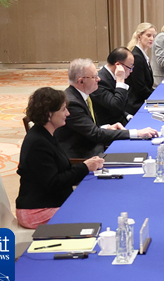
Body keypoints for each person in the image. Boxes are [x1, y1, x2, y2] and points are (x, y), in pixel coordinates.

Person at [16, 88, 105, 229]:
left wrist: (86, 165)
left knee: (97, 200)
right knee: (95, 212)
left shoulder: (47, 134)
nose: (68, 113)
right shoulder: (38, 142)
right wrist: (84, 167)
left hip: (49, 201)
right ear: (49, 114)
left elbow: (59, 171)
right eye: (64, 110)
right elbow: (53, 182)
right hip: (37, 210)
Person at [54, 59, 158, 159]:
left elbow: (88, 128)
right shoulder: (72, 103)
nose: (98, 79)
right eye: (94, 77)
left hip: (93, 146)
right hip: (82, 155)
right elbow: (95, 134)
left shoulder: (82, 95)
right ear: (81, 81)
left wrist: (106, 127)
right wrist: (136, 133)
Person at [92, 47, 134, 127]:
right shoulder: (99, 82)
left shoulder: (113, 76)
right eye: (130, 67)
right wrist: (120, 81)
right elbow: (116, 106)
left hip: (121, 120)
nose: (131, 71)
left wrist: (127, 115)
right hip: (111, 127)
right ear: (118, 65)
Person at [125, 22, 156, 115]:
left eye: (154, 36)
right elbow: (140, 88)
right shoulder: (137, 57)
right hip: (136, 104)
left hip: (141, 100)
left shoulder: (141, 54)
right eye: (148, 35)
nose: (152, 39)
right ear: (139, 36)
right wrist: (158, 96)